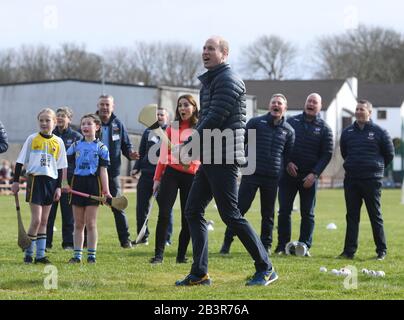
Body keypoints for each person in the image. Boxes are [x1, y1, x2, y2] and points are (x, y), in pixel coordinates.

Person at [175, 36, 278, 286]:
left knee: (230, 214)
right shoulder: (209, 82)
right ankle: (200, 273)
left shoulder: (228, 80)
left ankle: (266, 268)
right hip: (210, 156)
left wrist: (188, 143)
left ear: (224, 53)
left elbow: (215, 118)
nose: (205, 52)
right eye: (204, 48)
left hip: (225, 156)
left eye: (211, 49)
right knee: (192, 211)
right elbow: (207, 120)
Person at [220, 93, 295, 255]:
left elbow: (288, 156)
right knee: (239, 209)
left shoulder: (289, 131)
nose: (276, 105)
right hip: (251, 174)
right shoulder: (256, 123)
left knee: (268, 214)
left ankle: (265, 245)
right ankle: (227, 242)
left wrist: (289, 165)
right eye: (273, 102)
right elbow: (241, 142)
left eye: (279, 103)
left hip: (272, 178)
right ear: (269, 106)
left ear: (285, 108)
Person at [276, 93, 333, 256]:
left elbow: (327, 154)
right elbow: (282, 145)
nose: (311, 104)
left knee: (308, 213)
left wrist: (314, 174)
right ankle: (282, 246)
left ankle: (304, 246)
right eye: (309, 101)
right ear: (305, 103)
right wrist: (287, 162)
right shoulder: (291, 122)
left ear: (320, 107)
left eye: (315, 102)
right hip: (288, 176)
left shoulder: (325, 128)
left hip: (309, 178)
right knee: (284, 211)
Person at [338, 100, 394, 260]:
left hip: (371, 180)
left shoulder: (380, 132)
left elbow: (388, 155)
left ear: (369, 112)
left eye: (361, 109)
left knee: (375, 215)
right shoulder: (347, 132)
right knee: (352, 216)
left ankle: (381, 250)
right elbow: (344, 153)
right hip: (352, 179)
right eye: (356, 109)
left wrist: (374, 168)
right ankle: (349, 251)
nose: (358, 111)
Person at [11, 108, 68, 264]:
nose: (44, 123)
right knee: (36, 220)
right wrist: (15, 181)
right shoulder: (32, 139)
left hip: (51, 183)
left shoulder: (59, 142)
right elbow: (20, 161)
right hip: (35, 181)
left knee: (44, 221)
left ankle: (40, 255)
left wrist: (59, 187)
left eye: (47, 120)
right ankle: (29, 254)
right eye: (41, 120)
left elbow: (61, 166)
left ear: (54, 122)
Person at [150, 94, 200, 264]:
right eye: (180, 105)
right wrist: (157, 179)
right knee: (164, 214)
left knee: (188, 216)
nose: (182, 108)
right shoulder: (172, 127)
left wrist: (191, 161)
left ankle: (181, 256)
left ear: (193, 107)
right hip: (171, 173)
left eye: (186, 105)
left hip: (191, 176)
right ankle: (158, 256)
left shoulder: (200, 127)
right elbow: (163, 154)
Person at [66, 114, 111, 264]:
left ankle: (91, 255)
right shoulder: (75, 146)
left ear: (96, 127)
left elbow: (103, 170)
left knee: (90, 223)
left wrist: (106, 191)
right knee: (78, 223)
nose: (85, 127)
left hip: (93, 184)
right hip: (77, 183)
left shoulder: (101, 148)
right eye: (83, 124)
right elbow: (65, 164)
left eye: (89, 124)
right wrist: (64, 183)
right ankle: (77, 255)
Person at [97, 94, 138, 248]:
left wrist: (131, 154)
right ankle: (85, 240)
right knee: (88, 207)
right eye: (102, 104)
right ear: (98, 105)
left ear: (113, 107)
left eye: (107, 104)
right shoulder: (91, 122)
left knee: (118, 206)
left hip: (112, 172)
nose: (104, 107)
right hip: (91, 173)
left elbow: (126, 146)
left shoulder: (118, 124)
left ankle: (125, 241)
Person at [131, 107, 174, 246]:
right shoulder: (147, 132)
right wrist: (136, 168)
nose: (159, 117)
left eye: (162, 115)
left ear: (167, 117)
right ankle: (142, 237)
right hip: (146, 175)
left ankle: (166, 238)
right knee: (141, 207)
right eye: (156, 115)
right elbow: (142, 152)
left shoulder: (171, 132)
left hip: (164, 176)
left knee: (165, 208)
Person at [46, 107, 82, 250]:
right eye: (58, 115)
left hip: (69, 181)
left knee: (68, 214)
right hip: (50, 180)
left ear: (69, 119)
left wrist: (67, 178)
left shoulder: (76, 137)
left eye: (63, 116)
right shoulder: (49, 135)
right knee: (49, 213)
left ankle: (68, 243)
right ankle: (46, 242)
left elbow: (77, 160)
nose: (60, 118)